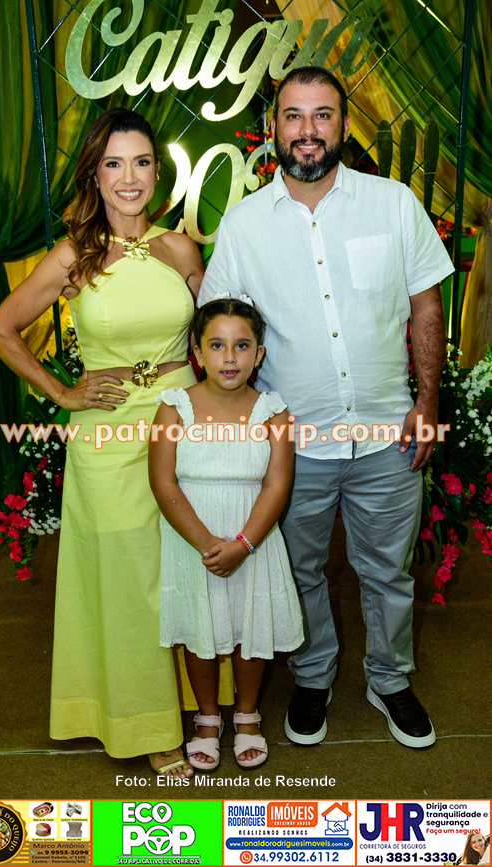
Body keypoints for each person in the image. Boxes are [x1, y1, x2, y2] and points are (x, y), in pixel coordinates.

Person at [198, 66, 455, 749]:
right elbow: (219, 326)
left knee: (388, 572)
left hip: (389, 434)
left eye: (321, 115)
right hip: (293, 444)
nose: (307, 130)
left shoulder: (392, 204)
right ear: (273, 127)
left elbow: (426, 304)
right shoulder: (244, 225)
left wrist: (428, 400)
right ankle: (312, 674)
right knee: (300, 571)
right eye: (293, 116)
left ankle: (388, 677)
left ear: (343, 124)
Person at [0, 107, 205, 779]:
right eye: (113, 163)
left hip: (181, 425)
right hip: (108, 435)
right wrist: (63, 392)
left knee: (185, 568)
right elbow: (0, 329)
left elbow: (217, 336)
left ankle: (199, 704)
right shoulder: (72, 254)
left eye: (140, 162)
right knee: (129, 579)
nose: (128, 177)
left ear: (157, 172)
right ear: (95, 175)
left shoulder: (181, 250)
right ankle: (149, 724)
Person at [149, 296, 304, 769]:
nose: (230, 357)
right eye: (217, 345)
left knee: (248, 628)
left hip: (251, 539)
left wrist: (242, 544)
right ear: (197, 353)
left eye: (242, 345)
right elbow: (163, 482)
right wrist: (207, 545)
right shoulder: (173, 408)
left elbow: (277, 484)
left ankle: (247, 714)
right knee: (201, 628)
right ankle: (208, 716)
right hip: (193, 541)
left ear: (259, 354)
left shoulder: (273, 412)